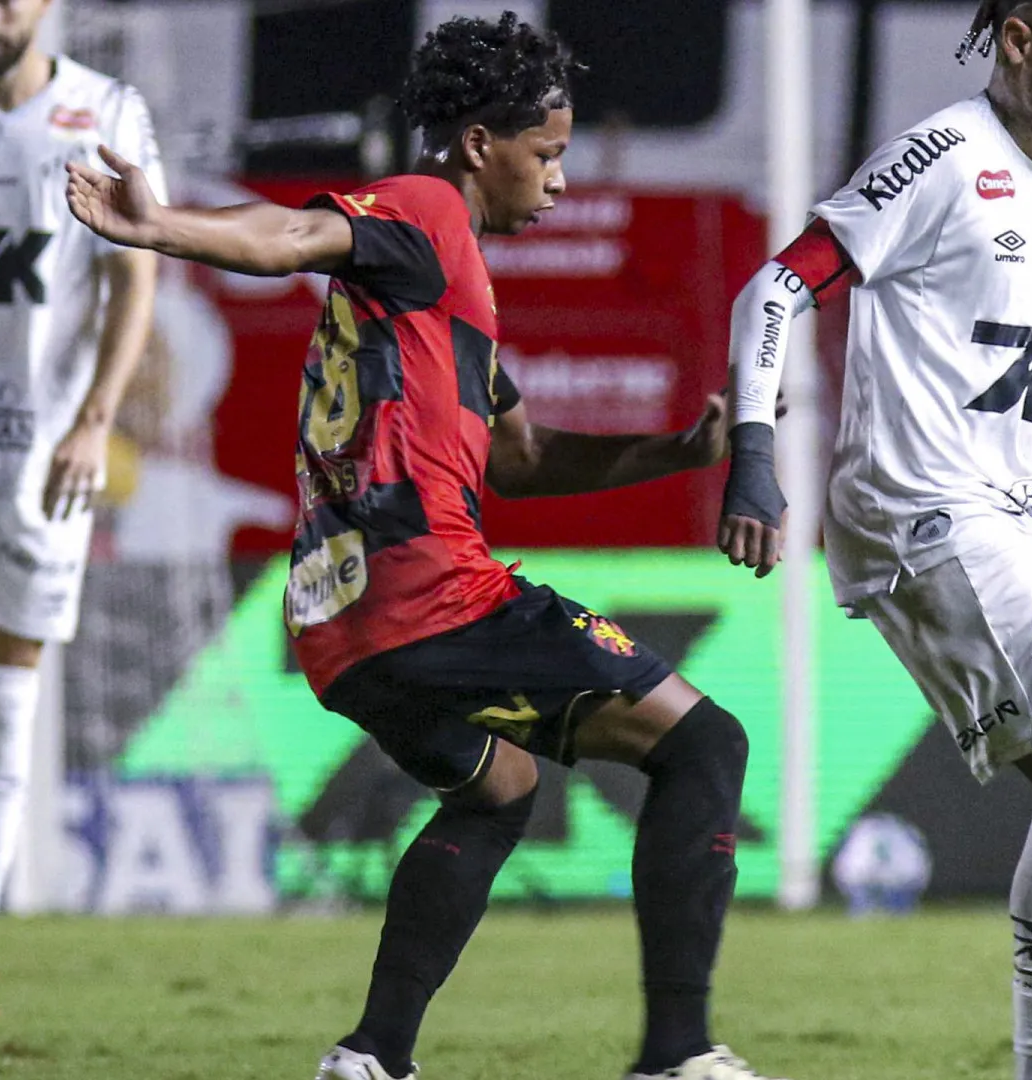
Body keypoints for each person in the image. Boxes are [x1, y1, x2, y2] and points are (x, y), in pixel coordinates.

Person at [66, 15, 786, 1080]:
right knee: (706, 745)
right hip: (429, 591)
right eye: (546, 153)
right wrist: (164, 226)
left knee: (497, 790)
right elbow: (289, 236)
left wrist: (680, 450)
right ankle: (678, 1055)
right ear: (479, 145)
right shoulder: (426, 209)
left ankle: (372, 1057)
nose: (559, 180)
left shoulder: (437, 297)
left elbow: (523, 461)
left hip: (340, 626)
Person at [714, 3, 1032, 1079]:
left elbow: (1005, 385)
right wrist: (754, 454)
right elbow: (774, 291)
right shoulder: (940, 157)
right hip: (918, 513)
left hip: (1003, 511)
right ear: (1019, 42)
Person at [0, 0, 164, 1021]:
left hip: (46, 443)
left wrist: (96, 420)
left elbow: (135, 276)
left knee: (5, 695)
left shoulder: (108, 112)